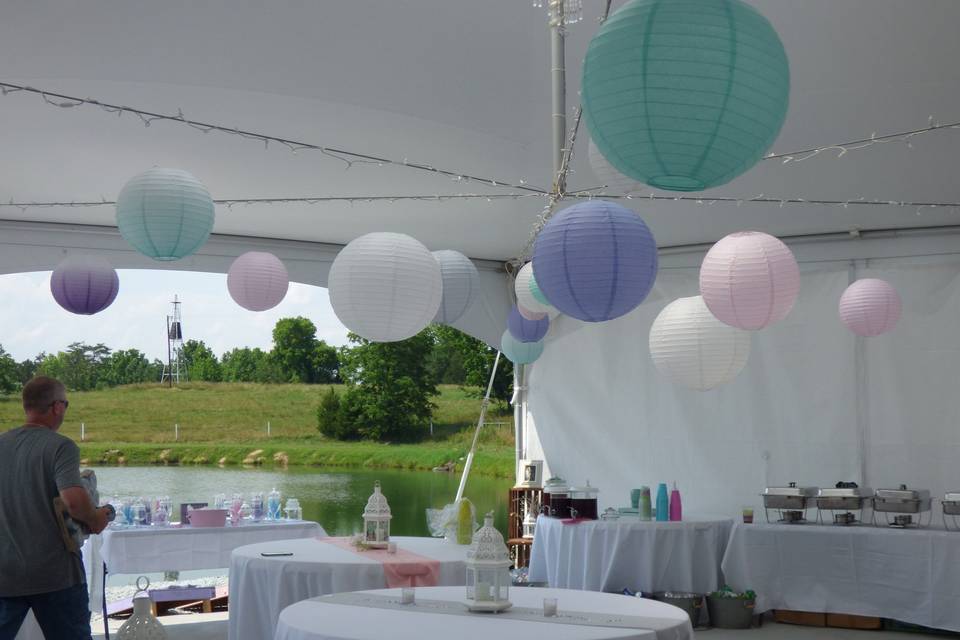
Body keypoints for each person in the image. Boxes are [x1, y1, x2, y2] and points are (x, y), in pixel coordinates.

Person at [0, 377, 112, 640]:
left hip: (4, 574)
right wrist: (97, 517)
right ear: (57, 407)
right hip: (56, 575)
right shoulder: (61, 446)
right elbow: (73, 501)